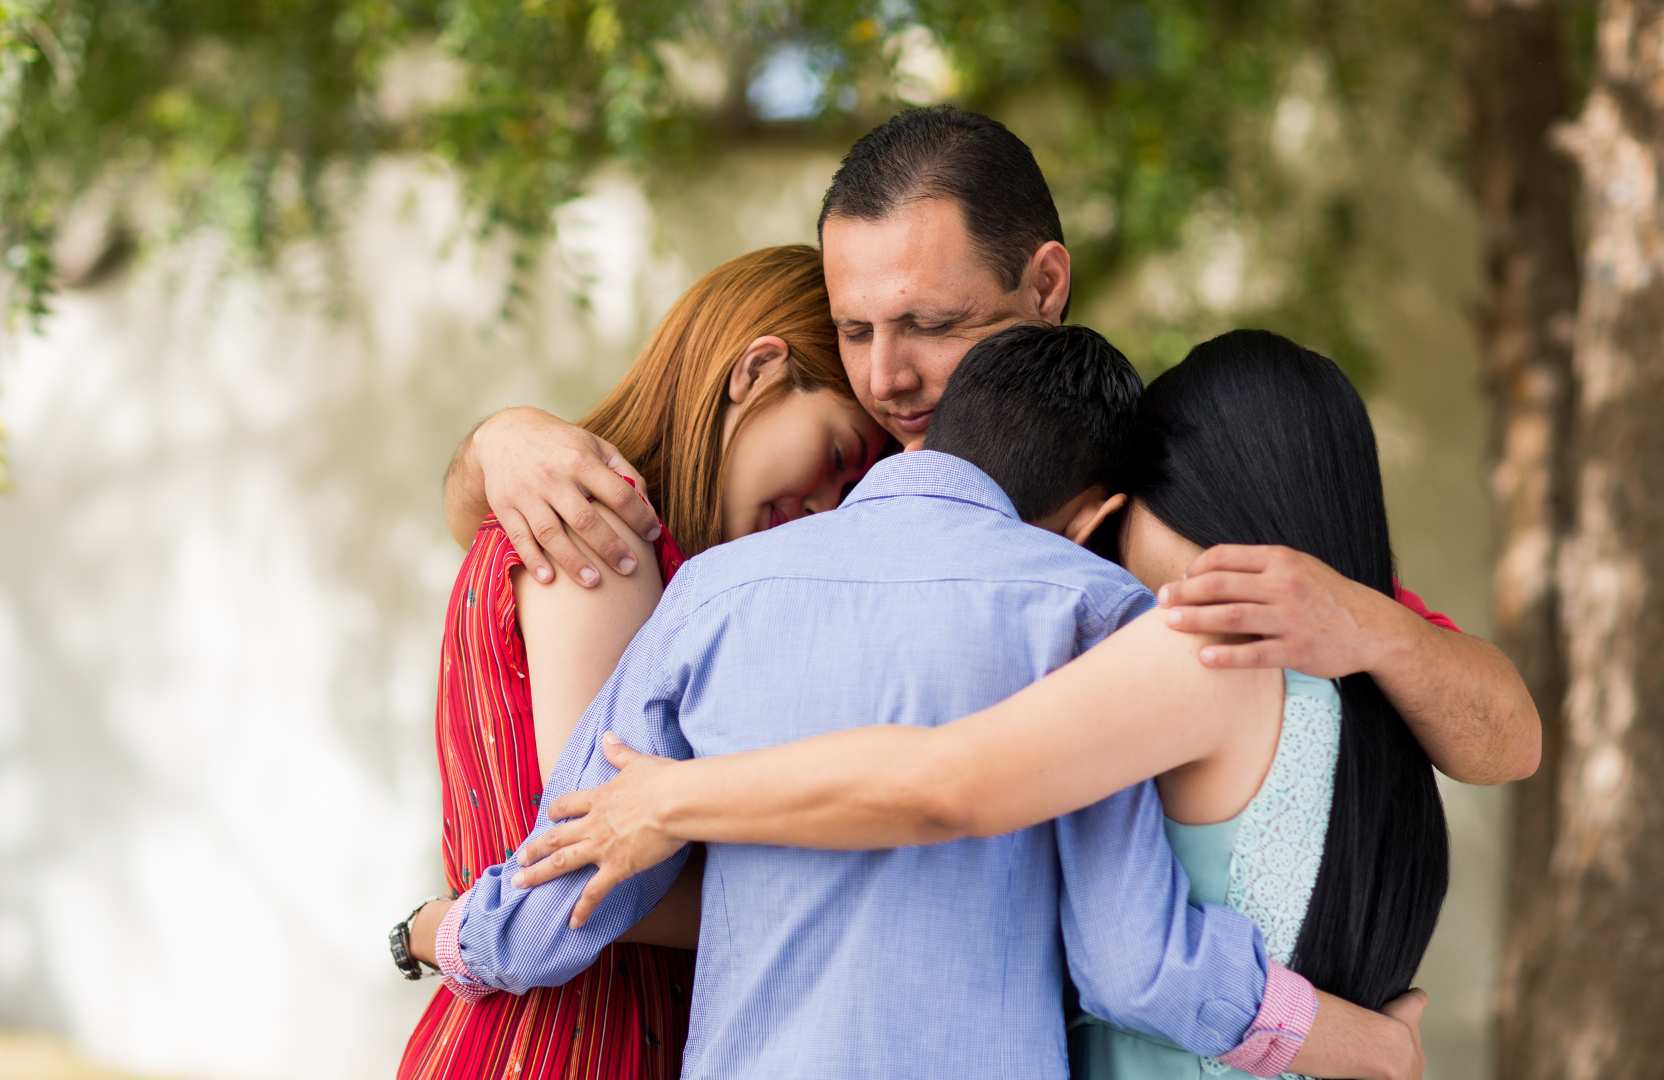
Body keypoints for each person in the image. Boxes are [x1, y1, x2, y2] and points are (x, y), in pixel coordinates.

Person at [432, 324, 1428, 1080]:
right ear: (1098, 515)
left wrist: (427, 932)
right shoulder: (1096, 616)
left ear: (923, 440)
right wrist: (1354, 1037)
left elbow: (553, 900)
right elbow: (1134, 966)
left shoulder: (711, 590)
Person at [439, 105, 1540, 787]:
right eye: (856, 329)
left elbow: (1506, 740)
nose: (886, 377)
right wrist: (500, 443)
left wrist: (1363, 625)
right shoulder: (839, 484)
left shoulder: (1155, 480)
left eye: (931, 325)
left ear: (1045, 284)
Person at [391, 245, 884, 1080]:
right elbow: (591, 870)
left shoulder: (591, 522)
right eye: (837, 458)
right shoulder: (604, 539)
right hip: (582, 1041)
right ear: (758, 370)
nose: (825, 508)